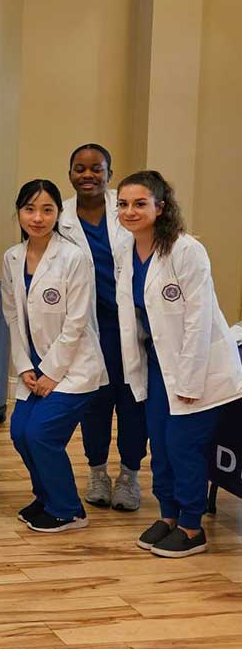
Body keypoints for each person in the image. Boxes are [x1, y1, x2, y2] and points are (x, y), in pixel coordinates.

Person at [114, 171, 242, 557]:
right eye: (123, 204)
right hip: (158, 364)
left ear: (160, 207)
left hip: (198, 367)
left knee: (184, 446)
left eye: (140, 203)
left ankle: (191, 525)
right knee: (162, 445)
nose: (130, 211)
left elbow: (198, 321)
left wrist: (188, 381)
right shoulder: (128, 250)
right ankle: (168, 514)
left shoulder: (186, 251)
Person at [1, 179, 107, 533]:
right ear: (18, 212)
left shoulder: (74, 257)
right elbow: (12, 317)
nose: (37, 217)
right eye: (30, 209)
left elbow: (77, 321)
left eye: (47, 210)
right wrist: (25, 367)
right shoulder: (12, 257)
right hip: (34, 367)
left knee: (42, 434)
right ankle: (46, 496)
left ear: (58, 214)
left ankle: (68, 509)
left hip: (76, 368)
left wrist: (51, 372)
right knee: (19, 432)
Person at [58, 143, 144, 511]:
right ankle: (96, 472)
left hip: (132, 324)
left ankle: (129, 475)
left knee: (133, 402)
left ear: (110, 172)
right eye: (80, 168)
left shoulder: (125, 209)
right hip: (88, 327)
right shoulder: (58, 216)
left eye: (96, 168)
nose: (88, 175)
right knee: (94, 403)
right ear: (70, 173)